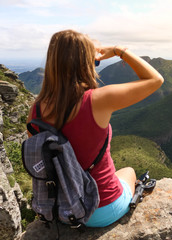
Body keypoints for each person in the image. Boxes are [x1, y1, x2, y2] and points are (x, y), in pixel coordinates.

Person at [26, 29, 164, 227]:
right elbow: (155, 80)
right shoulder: (98, 100)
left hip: (65, 210)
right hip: (102, 210)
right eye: (95, 62)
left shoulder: (36, 111)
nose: (96, 67)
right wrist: (118, 51)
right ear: (85, 64)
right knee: (129, 171)